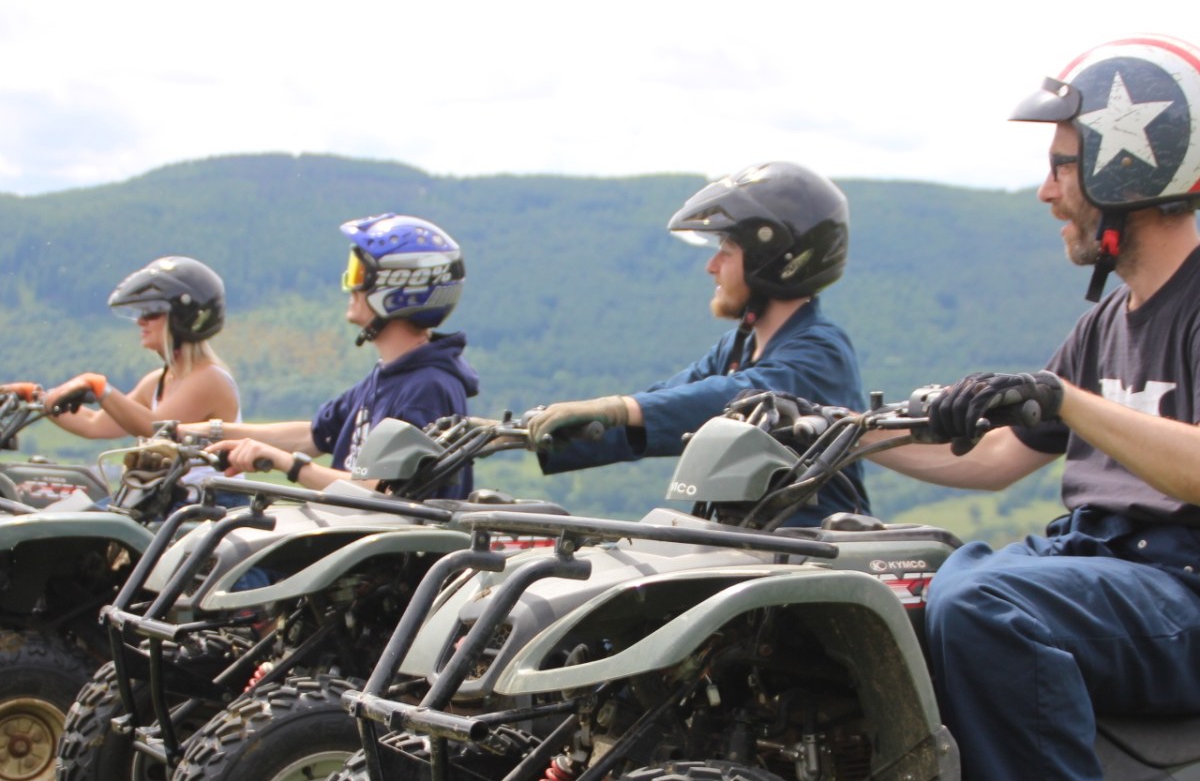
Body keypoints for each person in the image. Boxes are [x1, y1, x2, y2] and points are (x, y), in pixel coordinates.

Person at [865, 34, 1200, 781]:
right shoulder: (1109, 322)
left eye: (1061, 164)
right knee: (917, 584)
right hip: (1102, 567)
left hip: (1183, 586)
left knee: (987, 606)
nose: (1047, 190)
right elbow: (997, 457)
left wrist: (1067, 400)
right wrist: (845, 431)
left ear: (1125, 162)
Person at [526, 162, 869, 524]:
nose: (711, 265)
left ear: (770, 258)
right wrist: (536, 433)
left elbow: (739, 396)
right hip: (751, 544)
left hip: (813, 553)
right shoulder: (737, 347)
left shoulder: (819, 350)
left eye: (728, 249)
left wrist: (616, 407)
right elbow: (665, 405)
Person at [201, 214, 478, 496]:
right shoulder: (388, 377)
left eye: (359, 274)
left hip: (387, 538)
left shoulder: (428, 388)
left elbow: (387, 493)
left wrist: (287, 465)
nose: (350, 286)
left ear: (398, 289)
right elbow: (312, 436)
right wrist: (196, 433)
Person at [4, 255, 239, 436]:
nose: (141, 321)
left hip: (206, 498)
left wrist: (100, 388)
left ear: (183, 319)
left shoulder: (208, 379)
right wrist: (34, 396)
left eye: (152, 312)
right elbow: (93, 425)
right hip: (167, 495)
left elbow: (158, 431)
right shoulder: (158, 381)